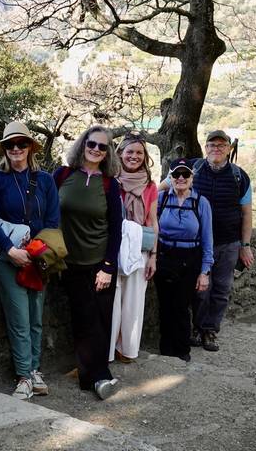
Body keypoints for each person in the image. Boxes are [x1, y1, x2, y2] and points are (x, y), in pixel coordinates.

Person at [159, 130, 254, 352]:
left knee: (221, 289)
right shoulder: (192, 169)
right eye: (212, 144)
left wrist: (245, 245)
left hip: (229, 242)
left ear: (229, 149)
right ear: (206, 147)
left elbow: (247, 214)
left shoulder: (240, 176)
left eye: (222, 145)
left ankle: (210, 331)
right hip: (199, 243)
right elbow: (161, 188)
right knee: (200, 289)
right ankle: (197, 327)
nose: (216, 149)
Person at [0, 121, 60, 400]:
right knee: (19, 316)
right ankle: (24, 375)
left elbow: (53, 220)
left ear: (31, 147)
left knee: (35, 317)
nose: (16, 149)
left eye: (22, 144)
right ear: (4, 149)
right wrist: (10, 250)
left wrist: (34, 250)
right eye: (10, 145)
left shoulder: (45, 181)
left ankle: (35, 368)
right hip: (8, 257)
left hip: (38, 257)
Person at [54, 125, 123, 400]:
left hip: (100, 262)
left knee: (101, 320)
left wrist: (108, 266)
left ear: (108, 153)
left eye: (102, 147)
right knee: (83, 320)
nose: (95, 150)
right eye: (91, 144)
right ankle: (92, 378)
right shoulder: (63, 175)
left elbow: (116, 228)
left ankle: (99, 377)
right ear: (83, 144)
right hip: (70, 262)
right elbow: (48, 210)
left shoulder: (109, 184)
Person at [154, 159, 213, 362]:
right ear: (169, 178)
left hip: (190, 260)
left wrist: (204, 272)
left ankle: (181, 350)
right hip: (164, 257)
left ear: (191, 178)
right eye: (176, 174)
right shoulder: (160, 199)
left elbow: (207, 239)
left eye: (185, 174)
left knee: (181, 306)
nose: (180, 178)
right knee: (165, 305)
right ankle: (166, 350)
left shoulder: (200, 203)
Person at [109, 132, 159, 364]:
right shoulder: (110, 180)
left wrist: (153, 256)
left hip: (140, 247)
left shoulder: (150, 186)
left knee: (134, 302)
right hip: (114, 246)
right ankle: (108, 351)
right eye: (129, 151)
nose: (134, 156)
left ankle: (127, 349)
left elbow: (152, 221)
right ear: (120, 154)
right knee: (112, 301)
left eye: (139, 152)